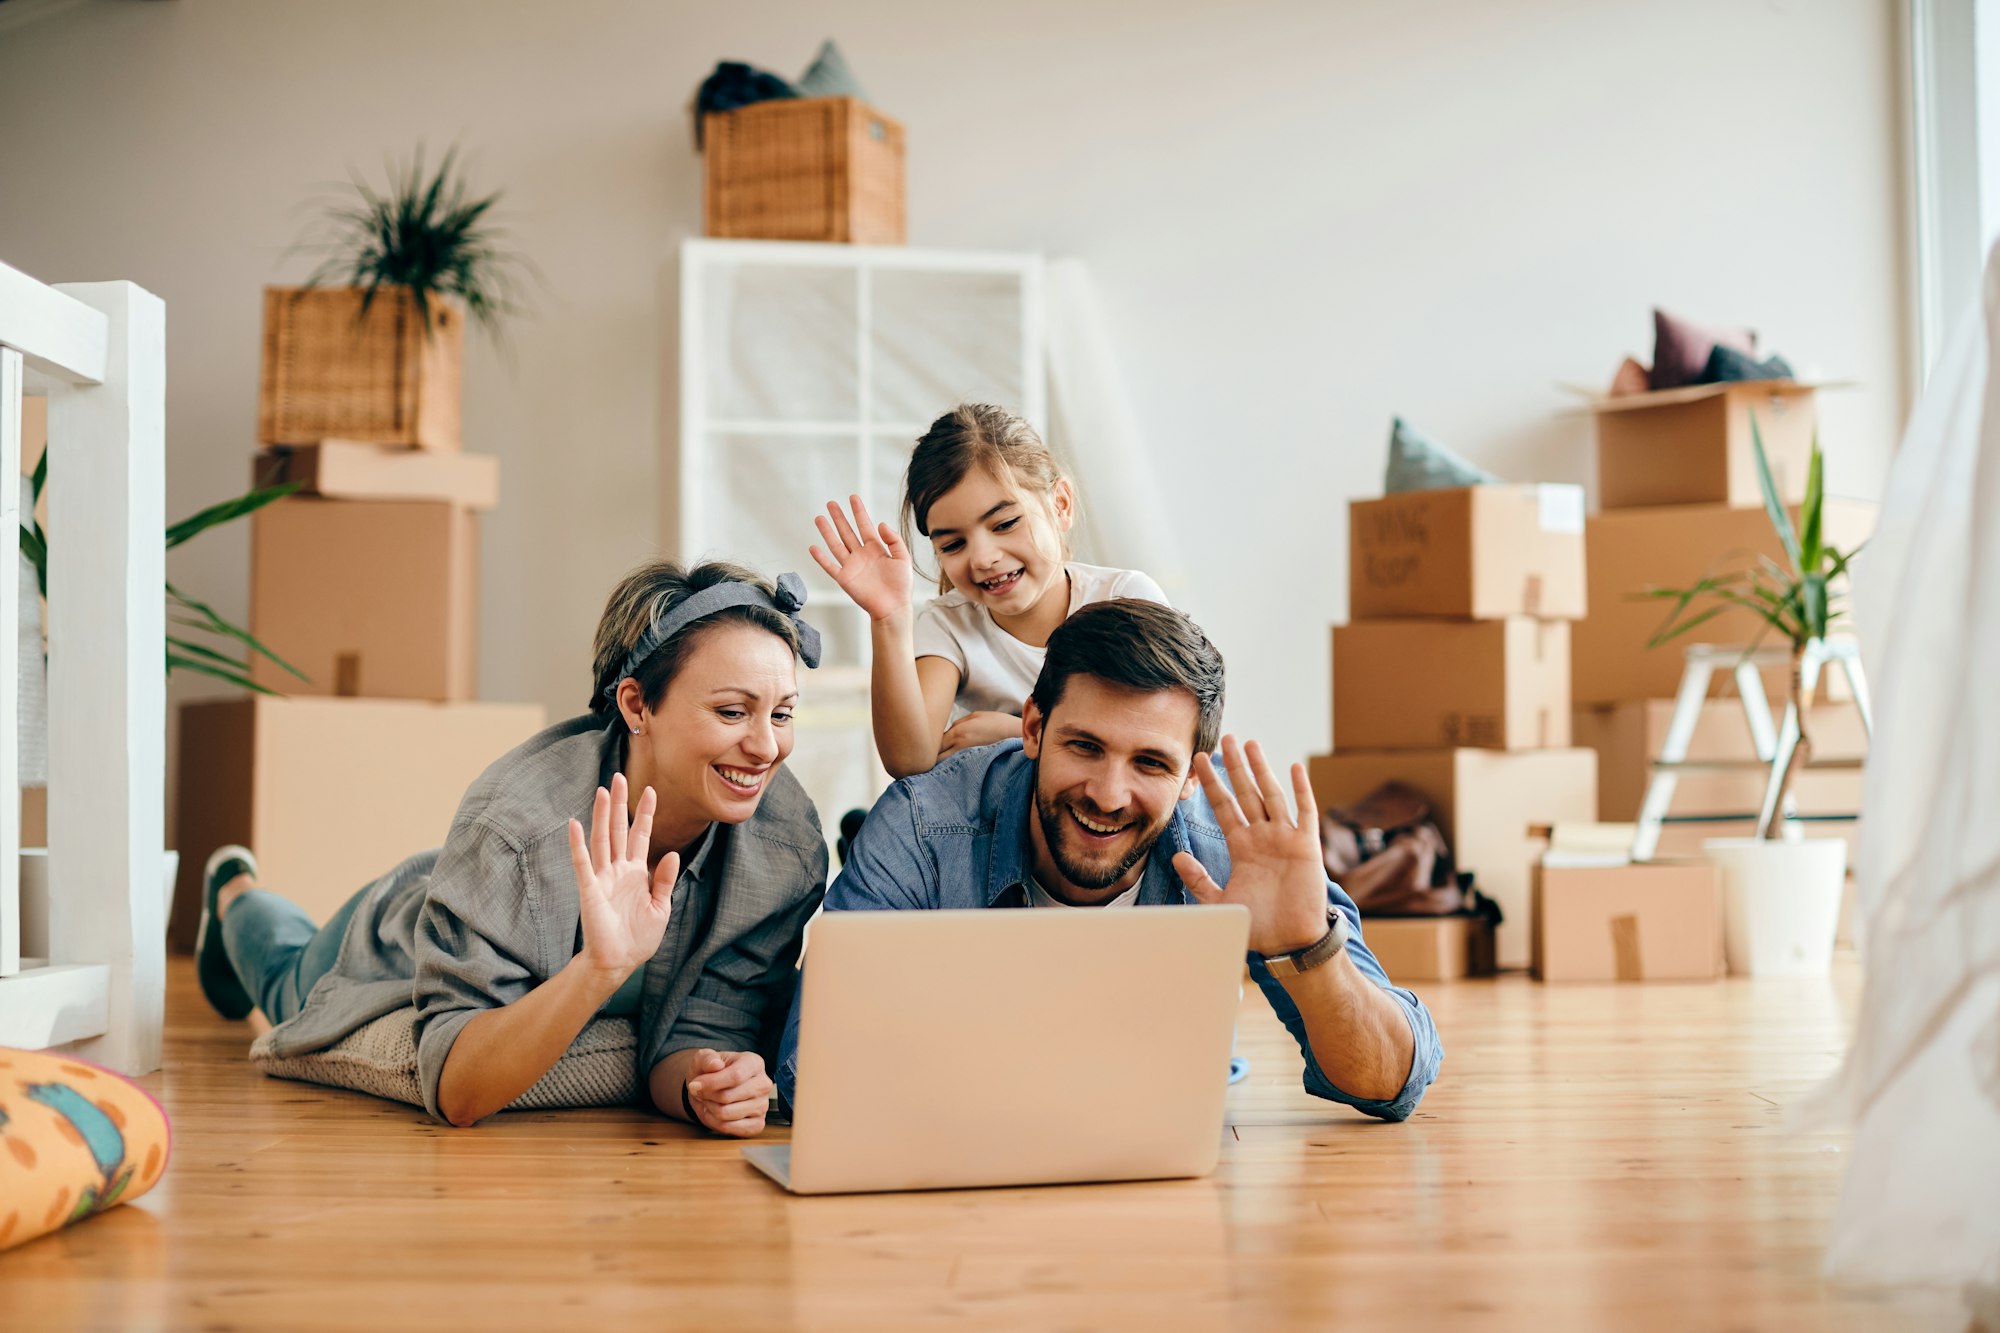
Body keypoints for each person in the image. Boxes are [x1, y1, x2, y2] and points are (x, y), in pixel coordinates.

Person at [193, 560, 829, 1134]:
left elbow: (705, 1028)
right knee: (283, 978)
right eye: (731, 713)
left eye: (781, 714)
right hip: (402, 931)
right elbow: (457, 1091)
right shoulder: (518, 826)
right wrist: (600, 968)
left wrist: (703, 1085)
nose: (766, 748)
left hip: (479, 887)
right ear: (637, 705)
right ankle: (231, 893)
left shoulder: (786, 847)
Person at [777, 599, 1442, 1121]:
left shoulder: (1229, 848)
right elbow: (811, 1067)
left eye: (1151, 762)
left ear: (1189, 777)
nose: (1108, 793)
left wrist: (1308, 949)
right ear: (1033, 728)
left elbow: (1393, 1083)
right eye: (1085, 746)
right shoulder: (925, 822)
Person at [809, 403, 1167, 778]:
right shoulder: (949, 624)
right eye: (953, 545)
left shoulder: (1126, 600)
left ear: (1060, 504)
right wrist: (889, 618)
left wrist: (1025, 735)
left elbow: (1160, 736)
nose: (982, 558)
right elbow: (909, 761)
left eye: (1005, 523)